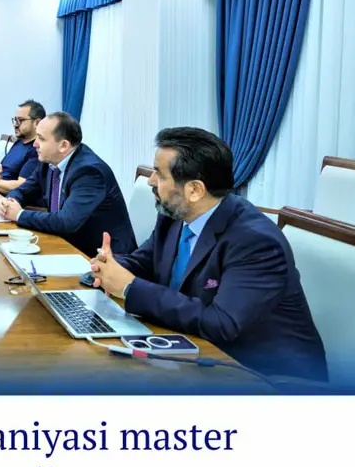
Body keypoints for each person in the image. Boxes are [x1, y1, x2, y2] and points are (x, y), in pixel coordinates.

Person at [89, 127, 327, 381]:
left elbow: (221, 322)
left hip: (265, 377)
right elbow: (146, 262)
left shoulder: (256, 242)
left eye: (160, 174)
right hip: (195, 351)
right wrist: (107, 267)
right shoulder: (175, 214)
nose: (151, 181)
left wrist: (129, 287)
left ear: (194, 190)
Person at [0, 112, 136, 257]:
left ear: (63, 146)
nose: (35, 144)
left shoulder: (89, 172)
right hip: (67, 245)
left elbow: (66, 222)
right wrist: (9, 202)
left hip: (104, 257)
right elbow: (23, 191)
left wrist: (19, 214)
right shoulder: (47, 162)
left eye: (41, 139)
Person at [0, 99, 43, 194]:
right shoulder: (19, 142)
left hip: (7, 198)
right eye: (15, 120)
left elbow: (22, 185)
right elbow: (1, 167)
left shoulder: (37, 150)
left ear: (37, 123)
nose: (15, 125)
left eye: (20, 120)